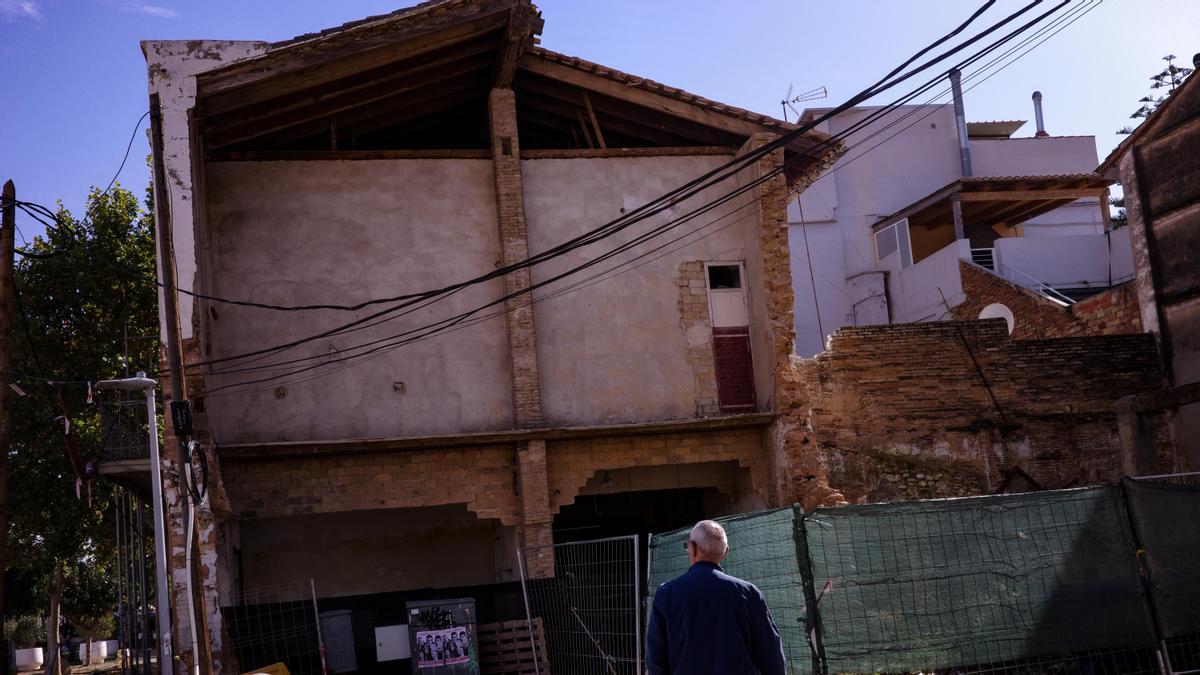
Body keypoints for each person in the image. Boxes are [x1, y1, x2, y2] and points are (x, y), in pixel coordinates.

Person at [646, 519, 787, 675]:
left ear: (692, 548)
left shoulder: (666, 594)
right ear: (725, 552)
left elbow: (656, 660)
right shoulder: (748, 593)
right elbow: (771, 655)